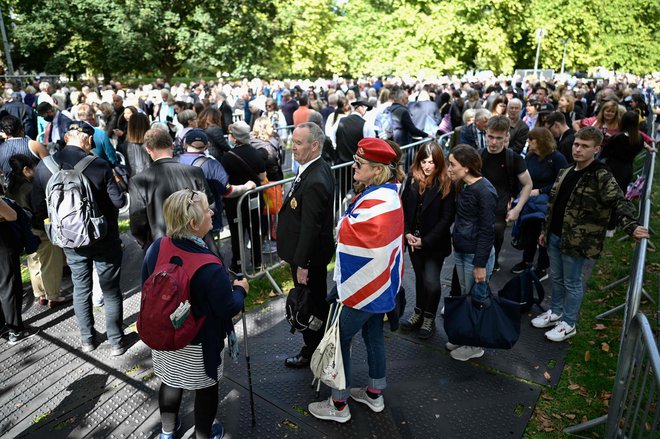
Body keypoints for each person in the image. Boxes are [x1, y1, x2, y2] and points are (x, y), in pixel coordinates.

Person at [308, 137, 404, 423]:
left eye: (360, 163)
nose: (354, 165)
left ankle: (339, 405)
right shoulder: (389, 193)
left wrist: (342, 226)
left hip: (363, 289)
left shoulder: (379, 198)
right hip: (380, 285)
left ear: (376, 170)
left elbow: (346, 232)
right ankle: (374, 393)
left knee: (340, 339)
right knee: (374, 336)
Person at [143, 189, 249, 439]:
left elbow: (145, 285)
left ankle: (167, 432)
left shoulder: (157, 247)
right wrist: (240, 291)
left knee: (170, 381)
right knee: (205, 387)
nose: (212, 212)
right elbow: (227, 308)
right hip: (200, 342)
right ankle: (203, 435)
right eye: (206, 209)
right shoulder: (209, 265)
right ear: (193, 223)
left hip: (165, 336)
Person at [532, 127, 649, 342]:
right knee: (556, 278)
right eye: (576, 144)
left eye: (584, 146)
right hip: (555, 235)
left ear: (596, 149)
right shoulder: (566, 170)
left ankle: (568, 323)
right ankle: (555, 312)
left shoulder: (601, 175)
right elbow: (554, 204)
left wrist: (630, 225)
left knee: (572, 282)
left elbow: (618, 202)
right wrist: (545, 231)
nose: (577, 149)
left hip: (578, 241)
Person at [32, 121, 127, 354]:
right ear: (88, 140)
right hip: (104, 236)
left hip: (69, 238)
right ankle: (116, 342)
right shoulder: (100, 165)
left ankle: (87, 340)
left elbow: (38, 210)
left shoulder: (44, 167)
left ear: (66, 138)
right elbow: (119, 202)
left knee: (81, 287)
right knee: (110, 289)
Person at [277, 122, 335, 368]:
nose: (293, 147)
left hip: (309, 260)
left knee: (309, 305)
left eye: (299, 143)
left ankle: (313, 351)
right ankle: (314, 347)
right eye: (293, 141)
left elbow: (311, 227)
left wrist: (303, 264)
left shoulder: (316, 178)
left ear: (314, 145)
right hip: (308, 257)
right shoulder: (313, 169)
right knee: (311, 302)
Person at [445, 144, 497, 361]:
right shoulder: (463, 186)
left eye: (453, 164)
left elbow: (487, 230)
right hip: (463, 252)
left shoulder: (484, 191)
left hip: (475, 257)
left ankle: (475, 345)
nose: (449, 168)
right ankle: (466, 336)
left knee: (476, 300)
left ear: (465, 168)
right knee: (467, 297)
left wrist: (480, 264)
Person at [400, 142, 455, 339]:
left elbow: (446, 218)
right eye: (424, 161)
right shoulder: (413, 180)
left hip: (434, 244)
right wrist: (407, 233)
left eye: (431, 162)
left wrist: (425, 241)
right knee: (420, 278)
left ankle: (429, 316)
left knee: (431, 281)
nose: (427, 166)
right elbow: (404, 209)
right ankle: (418, 311)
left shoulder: (446, 183)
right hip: (413, 240)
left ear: (439, 162)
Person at [129, 127, 210, 251]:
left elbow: (138, 220)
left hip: (161, 246)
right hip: (195, 241)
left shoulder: (139, 180)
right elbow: (208, 206)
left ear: (148, 150)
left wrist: (148, 245)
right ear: (172, 146)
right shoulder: (195, 172)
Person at [6, 154, 66, 307]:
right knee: (51, 261)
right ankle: (53, 295)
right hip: (38, 228)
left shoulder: (11, 186)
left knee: (34, 261)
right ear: (26, 169)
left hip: (24, 231)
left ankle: (40, 293)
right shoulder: (29, 188)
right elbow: (39, 209)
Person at [510, 128, 567, 280]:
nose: (528, 142)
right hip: (529, 201)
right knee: (528, 231)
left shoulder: (557, 158)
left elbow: (561, 181)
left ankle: (542, 267)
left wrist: (541, 191)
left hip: (547, 203)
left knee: (543, 234)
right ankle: (526, 261)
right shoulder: (530, 157)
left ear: (541, 141)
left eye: (531, 140)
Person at [480, 116, 532, 271]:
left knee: (496, 240)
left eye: (499, 138)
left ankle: (493, 264)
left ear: (506, 137)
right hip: (477, 208)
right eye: (490, 137)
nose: (494, 142)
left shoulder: (513, 159)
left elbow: (528, 184)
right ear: (485, 134)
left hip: (499, 210)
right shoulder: (477, 156)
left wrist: (517, 209)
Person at [221, 121, 266, 275]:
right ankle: (258, 263)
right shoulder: (256, 152)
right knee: (255, 230)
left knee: (237, 234)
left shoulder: (227, 157)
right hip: (254, 198)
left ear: (235, 137)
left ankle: (238, 265)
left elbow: (224, 180)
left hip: (235, 201)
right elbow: (262, 176)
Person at [0, 193, 40, 344]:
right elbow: (12, 215)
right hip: (3, 244)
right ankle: (16, 331)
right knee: (9, 286)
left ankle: (2, 326)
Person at [122, 112, 151, 178]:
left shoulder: (125, 144)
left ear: (130, 127)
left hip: (134, 182)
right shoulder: (153, 142)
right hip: (153, 181)